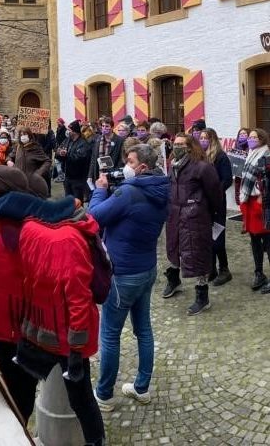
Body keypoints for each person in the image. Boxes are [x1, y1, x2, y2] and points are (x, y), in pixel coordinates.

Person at [0, 165, 84, 426]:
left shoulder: (19, 228)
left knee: (18, 394)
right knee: (11, 387)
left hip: (18, 328)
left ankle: (17, 431)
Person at [16, 199, 105, 446]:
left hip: (53, 329)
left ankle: (96, 441)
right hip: (57, 329)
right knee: (80, 397)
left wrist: (76, 346)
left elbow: (77, 297)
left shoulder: (61, 239)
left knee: (80, 397)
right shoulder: (67, 239)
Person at [88, 143, 169, 411]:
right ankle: (142, 387)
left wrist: (100, 191)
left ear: (142, 167)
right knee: (143, 330)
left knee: (110, 334)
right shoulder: (161, 189)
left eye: (130, 161)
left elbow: (93, 218)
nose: (126, 166)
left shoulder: (129, 193)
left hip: (122, 272)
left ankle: (104, 394)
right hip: (146, 268)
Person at [160, 133, 221, 314]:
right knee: (174, 248)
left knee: (197, 254)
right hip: (175, 215)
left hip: (195, 217)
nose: (176, 147)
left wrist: (206, 212)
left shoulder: (202, 167)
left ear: (189, 146)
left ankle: (202, 296)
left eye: (181, 144)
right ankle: (174, 280)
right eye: (175, 144)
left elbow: (215, 193)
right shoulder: (173, 166)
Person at [201, 128, 233, 285]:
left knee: (217, 238)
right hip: (204, 203)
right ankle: (211, 268)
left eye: (205, 138)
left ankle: (224, 269)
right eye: (201, 138)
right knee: (207, 237)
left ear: (212, 139)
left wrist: (214, 193)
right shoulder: (201, 157)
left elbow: (227, 179)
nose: (202, 140)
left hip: (217, 202)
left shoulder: (221, 157)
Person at [240, 128, 270, 292]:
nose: (250, 139)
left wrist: (261, 199)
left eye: (254, 137)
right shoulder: (250, 154)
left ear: (262, 139)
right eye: (249, 137)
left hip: (262, 203)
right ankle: (259, 273)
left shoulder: (266, 155)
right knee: (254, 240)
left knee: (268, 241)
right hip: (250, 201)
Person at [59, 121, 92, 202]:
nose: (67, 131)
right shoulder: (67, 140)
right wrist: (60, 152)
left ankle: (78, 214)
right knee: (68, 201)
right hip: (67, 177)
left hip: (78, 179)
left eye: (69, 130)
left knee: (77, 202)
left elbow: (79, 158)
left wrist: (66, 155)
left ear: (75, 131)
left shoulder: (83, 143)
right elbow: (59, 149)